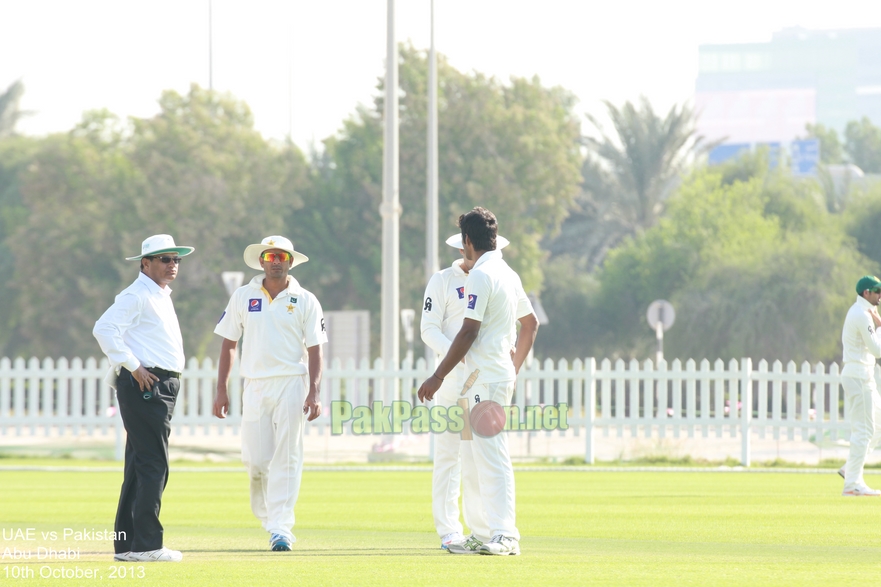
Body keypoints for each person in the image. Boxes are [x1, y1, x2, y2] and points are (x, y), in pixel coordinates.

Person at [418, 207, 538, 556]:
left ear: (467, 241)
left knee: (491, 455)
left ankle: (506, 535)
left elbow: (469, 332)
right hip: (488, 377)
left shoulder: (482, 277)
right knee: (474, 455)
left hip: (484, 378)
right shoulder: (507, 272)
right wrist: (511, 369)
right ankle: (485, 533)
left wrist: (438, 375)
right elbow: (530, 325)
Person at [213, 235, 326, 551]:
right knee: (256, 460)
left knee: (287, 456)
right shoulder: (242, 296)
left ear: (290, 261)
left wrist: (313, 392)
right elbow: (228, 344)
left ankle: (281, 527)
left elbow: (316, 348)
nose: (275, 261)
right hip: (255, 385)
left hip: (291, 381)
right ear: (261, 260)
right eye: (270, 256)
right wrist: (221, 389)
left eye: (281, 256)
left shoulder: (304, 299)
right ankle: (268, 517)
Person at [93, 234, 194, 563]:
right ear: (145, 263)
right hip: (147, 384)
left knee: (140, 465)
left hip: (156, 383)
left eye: (175, 259)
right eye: (165, 259)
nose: (172, 265)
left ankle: (128, 546)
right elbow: (104, 328)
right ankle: (148, 544)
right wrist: (135, 368)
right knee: (154, 465)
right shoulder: (137, 294)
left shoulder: (159, 294)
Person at [421, 232, 510, 550]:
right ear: (464, 247)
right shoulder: (443, 280)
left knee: (476, 459)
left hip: (482, 379)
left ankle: (481, 530)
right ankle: (448, 529)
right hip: (450, 380)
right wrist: (454, 361)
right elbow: (428, 327)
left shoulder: (496, 277)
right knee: (447, 456)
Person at [840, 275, 881, 496]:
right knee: (864, 431)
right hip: (858, 375)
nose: (880, 295)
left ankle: (850, 469)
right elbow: (878, 350)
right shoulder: (862, 314)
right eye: (877, 291)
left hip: (864, 375)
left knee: (878, 425)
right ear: (867, 293)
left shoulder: (866, 313)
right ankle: (853, 484)